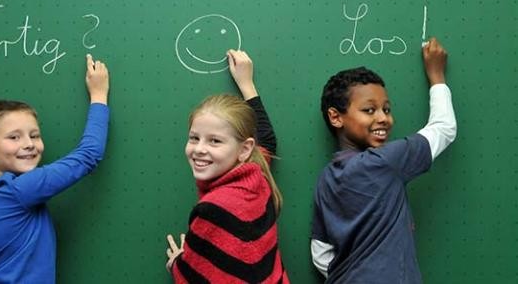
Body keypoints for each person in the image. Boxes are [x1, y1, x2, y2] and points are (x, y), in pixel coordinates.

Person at [0, 54, 110, 283]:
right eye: (14, 137)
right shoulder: (18, 190)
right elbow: (88, 156)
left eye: (34, 135)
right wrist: (99, 95)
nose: (29, 144)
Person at [310, 38, 457, 283]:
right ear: (336, 117)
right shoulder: (384, 162)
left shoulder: (326, 177)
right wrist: (437, 76)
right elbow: (444, 128)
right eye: (369, 110)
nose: (384, 118)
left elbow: (320, 251)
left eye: (386, 109)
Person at [165, 50, 290, 283]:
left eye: (215, 141)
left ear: (244, 149)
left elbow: (193, 278)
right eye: (194, 138)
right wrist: (247, 85)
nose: (200, 148)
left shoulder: (214, 209)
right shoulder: (257, 176)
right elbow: (267, 142)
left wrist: (177, 264)